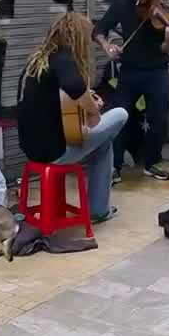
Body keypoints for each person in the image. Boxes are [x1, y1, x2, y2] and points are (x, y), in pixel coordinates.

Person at [17, 12, 127, 223]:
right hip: (54, 152)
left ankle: (99, 209)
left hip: (32, 149)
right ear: (77, 38)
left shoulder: (38, 60)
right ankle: (98, 210)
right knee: (120, 114)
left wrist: (87, 97)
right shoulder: (64, 59)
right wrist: (93, 111)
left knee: (104, 142)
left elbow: (58, 97)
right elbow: (75, 87)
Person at [94, 0, 169, 182]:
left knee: (158, 118)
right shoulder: (121, 6)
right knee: (119, 117)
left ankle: (152, 163)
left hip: (156, 71)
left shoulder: (161, 8)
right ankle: (115, 166)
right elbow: (99, 31)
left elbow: (164, 49)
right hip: (130, 71)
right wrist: (107, 47)